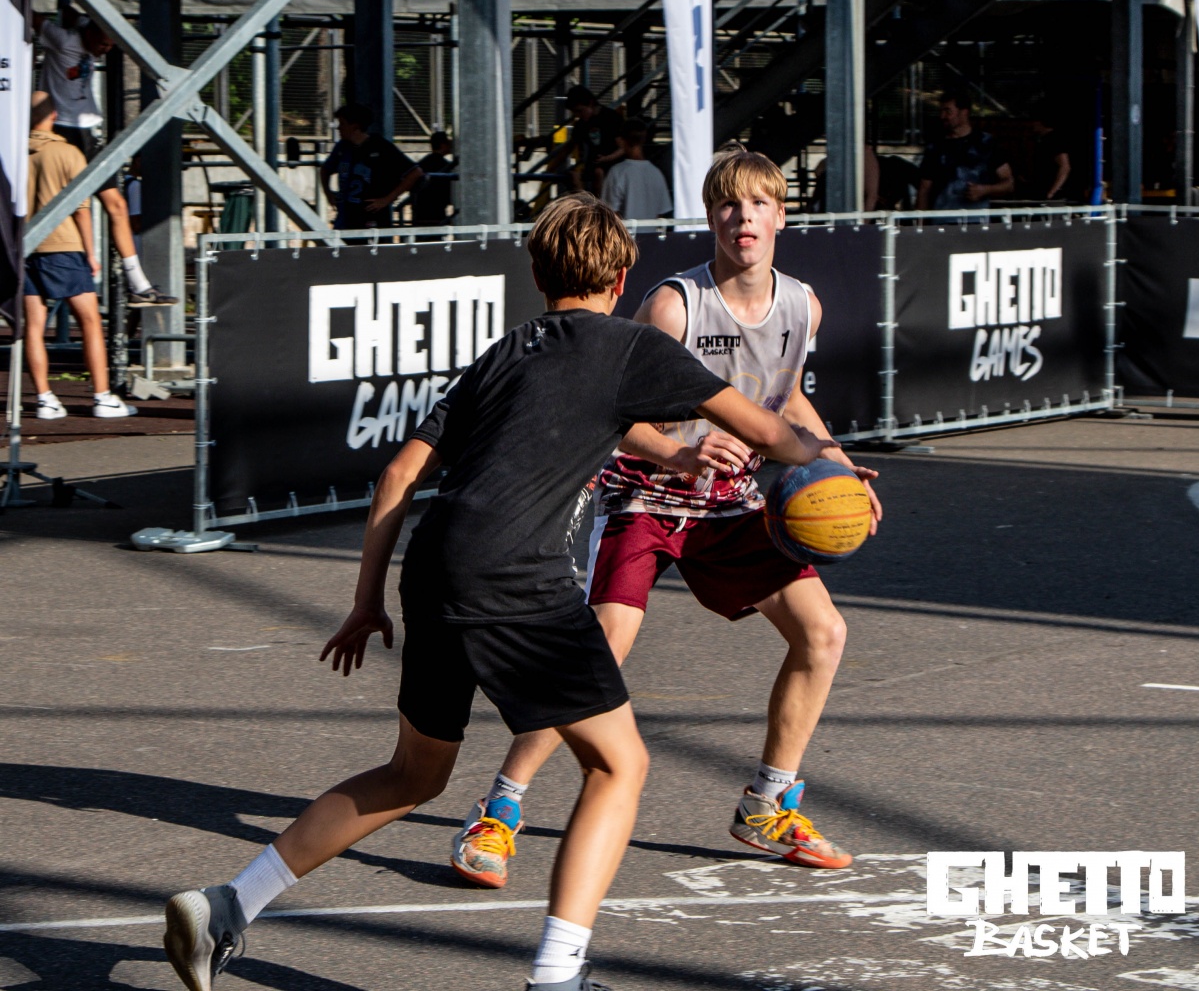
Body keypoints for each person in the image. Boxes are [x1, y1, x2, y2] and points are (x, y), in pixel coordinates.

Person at [162, 193, 833, 991]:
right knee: (618, 767)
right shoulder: (631, 346)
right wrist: (830, 466)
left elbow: (398, 475)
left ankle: (228, 905)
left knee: (413, 776)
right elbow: (766, 429)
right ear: (622, 278)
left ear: (539, 275)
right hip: (517, 577)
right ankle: (556, 976)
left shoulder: (505, 353)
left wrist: (367, 600)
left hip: (434, 568)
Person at [452, 148, 881, 894]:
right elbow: (611, 411)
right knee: (603, 651)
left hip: (727, 503)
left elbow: (783, 399)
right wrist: (678, 453)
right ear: (710, 217)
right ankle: (498, 810)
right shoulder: (675, 306)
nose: (743, 217)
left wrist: (836, 465)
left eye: (758, 204)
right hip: (644, 498)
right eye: (728, 204)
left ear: (782, 216)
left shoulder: (801, 306)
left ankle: (768, 804)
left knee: (824, 633)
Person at [36, 0, 176, 306]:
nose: (105, 50)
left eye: (110, 46)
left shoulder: (82, 31)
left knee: (117, 205)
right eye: (102, 44)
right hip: (62, 131)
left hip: (88, 133)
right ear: (90, 34)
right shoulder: (63, 40)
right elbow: (35, 19)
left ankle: (138, 284)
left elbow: (73, 16)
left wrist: (66, 4)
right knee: (67, 209)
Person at [23, 92, 136, 420]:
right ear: (54, 115)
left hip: (26, 247)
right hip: (65, 246)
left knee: (33, 327)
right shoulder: (68, 152)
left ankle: (45, 399)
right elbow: (81, 209)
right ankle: (102, 396)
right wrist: (90, 252)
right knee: (89, 321)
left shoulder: (13, 155)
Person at [320, 103, 421, 230]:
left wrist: (387, 199)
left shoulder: (380, 146)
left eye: (342, 124)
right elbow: (326, 169)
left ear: (355, 126)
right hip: (346, 216)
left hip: (372, 216)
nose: (338, 128)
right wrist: (328, 193)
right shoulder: (342, 147)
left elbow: (415, 172)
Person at [916, 89, 1013, 211]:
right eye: (941, 111)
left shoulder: (986, 143)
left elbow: (1008, 184)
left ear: (964, 113)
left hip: (977, 219)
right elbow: (924, 189)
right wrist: (920, 220)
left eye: (948, 111)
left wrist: (985, 190)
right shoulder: (935, 147)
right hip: (941, 219)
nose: (942, 116)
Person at [599, 119, 671, 220]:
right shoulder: (656, 173)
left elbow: (609, 213)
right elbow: (660, 213)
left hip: (624, 230)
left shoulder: (617, 172)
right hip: (651, 230)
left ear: (621, 141)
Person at [562, 86, 627, 195]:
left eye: (580, 111)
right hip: (594, 165)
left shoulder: (611, 118)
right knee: (577, 176)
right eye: (575, 112)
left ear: (590, 103)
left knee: (598, 173)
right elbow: (570, 146)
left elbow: (623, 148)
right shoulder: (581, 124)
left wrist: (607, 158)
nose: (578, 115)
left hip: (613, 165)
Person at [410, 129, 456, 227]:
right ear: (443, 145)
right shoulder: (444, 165)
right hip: (436, 210)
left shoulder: (423, 163)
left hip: (421, 210)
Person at [1028, 112, 1073, 201]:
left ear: (1039, 122)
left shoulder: (1054, 140)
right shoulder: (1042, 140)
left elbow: (1065, 167)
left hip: (1054, 196)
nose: (1032, 124)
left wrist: (1052, 192)